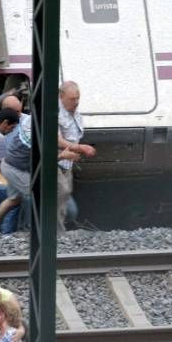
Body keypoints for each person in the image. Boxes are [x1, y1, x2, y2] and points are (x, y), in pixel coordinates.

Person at [0, 118, 80, 232]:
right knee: (36, 195)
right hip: (16, 170)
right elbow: (41, 161)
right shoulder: (32, 137)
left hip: (12, 165)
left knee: (13, 199)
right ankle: (30, 229)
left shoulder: (29, 121)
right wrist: (62, 156)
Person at [56, 81, 97, 231]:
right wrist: (80, 148)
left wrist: (77, 152)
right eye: (72, 99)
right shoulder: (55, 113)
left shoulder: (76, 114)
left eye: (78, 98)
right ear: (61, 97)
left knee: (65, 198)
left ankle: (59, 232)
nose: (76, 102)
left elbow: (74, 137)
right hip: (55, 162)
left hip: (68, 164)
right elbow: (57, 140)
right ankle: (57, 235)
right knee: (61, 194)